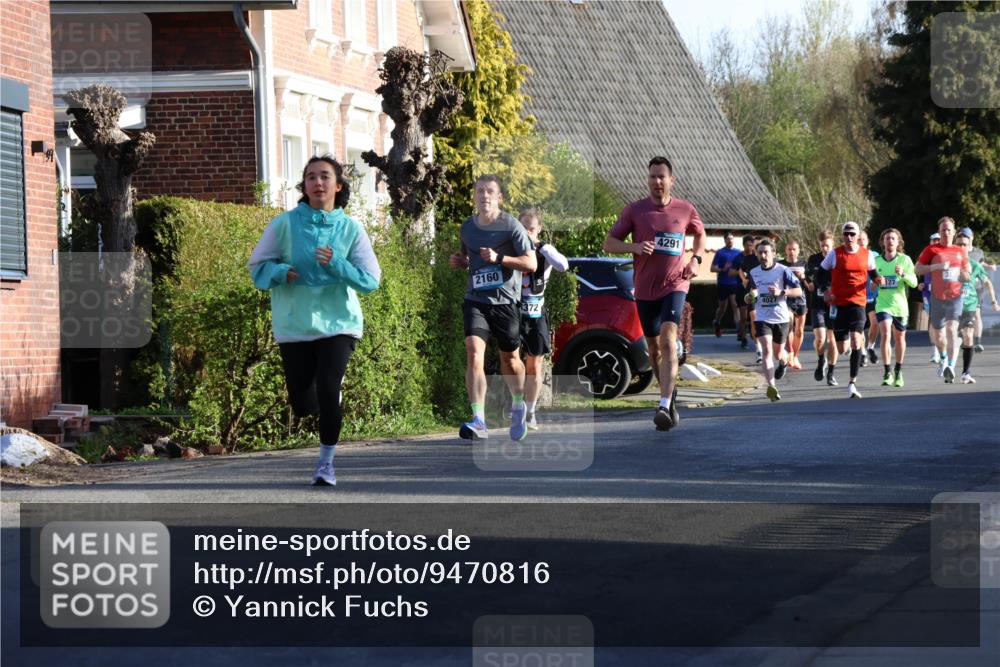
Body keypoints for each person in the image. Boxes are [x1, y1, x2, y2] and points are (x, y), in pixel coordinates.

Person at [249, 155, 381, 486]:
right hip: (294, 325)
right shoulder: (284, 224)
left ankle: (326, 464)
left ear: (339, 186)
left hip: (339, 323)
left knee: (327, 386)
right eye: (310, 177)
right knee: (303, 402)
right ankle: (325, 398)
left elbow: (370, 280)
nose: (317, 183)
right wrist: (281, 272)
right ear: (304, 186)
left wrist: (339, 265)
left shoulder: (351, 228)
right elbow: (257, 268)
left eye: (324, 177)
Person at [603, 156, 706, 432]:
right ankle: (668, 396)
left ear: (671, 180)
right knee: (653, 348)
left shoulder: (685, 209)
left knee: (669, 339)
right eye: (652, 177)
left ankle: (661, 404)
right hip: (645, 289)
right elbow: (609, 244)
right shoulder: (635, 210)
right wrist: (635, 248)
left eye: (662, 176)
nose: (657, 182)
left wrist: (695, 259)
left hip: (675, 284)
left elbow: (700, 233)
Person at [450, 174, 536, 441]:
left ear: (499, 197)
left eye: (490, 192)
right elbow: (470, 259)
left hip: (506, 302)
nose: (484, 196)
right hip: (476, 299)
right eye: (479, 192)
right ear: (474, 196)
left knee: (509, 360)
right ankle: (479, 419)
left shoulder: (512, 227)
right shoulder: (467, 228)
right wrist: (461, 261)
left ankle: (519, 404)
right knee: (474, 352)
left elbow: (531, 263)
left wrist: (501, 258)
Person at [517, 208, 569, 429]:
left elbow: (563, 265)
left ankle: (530, 411)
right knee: (511, 360)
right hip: (513, 309)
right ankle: (515, 405)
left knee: (534, 364)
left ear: (538, 229)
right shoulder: (510, 249)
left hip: (535, 310)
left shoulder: (543, 249)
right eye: (523, 229)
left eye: (532, 229)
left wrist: (544, 248)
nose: (527, 233)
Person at [821, 221, 880, 398]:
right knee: (842, 348)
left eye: (852, 234)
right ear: (842, 235)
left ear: (857, 236)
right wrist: (826, 291)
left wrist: (879, 280)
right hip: (838, 304)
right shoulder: (835, 254)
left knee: (855, 340)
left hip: (857, 303)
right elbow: (820, 274)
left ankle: (852, 383)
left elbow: (873, 273)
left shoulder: (867, 255)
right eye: (846, 234)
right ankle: (847, 349)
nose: (849, 237)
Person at [745, 239, 803, 401]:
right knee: (767, 351)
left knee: (779, 354)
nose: (763, 255)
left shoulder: (783, 270)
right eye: (760, 252)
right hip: (762, 316)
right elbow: (752, 290)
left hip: (781, 318)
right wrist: (750, 296)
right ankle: (772, 387)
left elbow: (798, 291)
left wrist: (781, 292)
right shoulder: (754, 272)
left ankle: (784, 362)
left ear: (773, 254)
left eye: (766, 252)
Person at [915, 217, 971, 384]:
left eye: (949, 230)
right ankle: (944, 358)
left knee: (952, 329)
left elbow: (967, 274)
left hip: (955, 296)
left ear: (953, 233)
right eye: (943, 230)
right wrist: (936, 267)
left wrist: (963, 275)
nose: (946, 232)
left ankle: (951, 367)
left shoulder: (960, 251)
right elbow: (917, 268)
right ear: (939, 232)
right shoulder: (931, 250)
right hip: (937, 297)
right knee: (939, 334)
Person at [873, 228, 917, 387]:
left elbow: (914, 283)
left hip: (900, 306)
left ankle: (898, 370)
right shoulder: (876, 261)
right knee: (885, 333)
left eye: (893, 238)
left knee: (899, 338)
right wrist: (876, 281)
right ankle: (887, 371)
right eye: (887, 238)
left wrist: (903, 274)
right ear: (882, 242)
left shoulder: (905, 260)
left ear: (898, 242)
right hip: (883, 304)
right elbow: (870, 286)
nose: (890, 241)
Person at [955, 228, 998, 383]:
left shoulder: (975, 262)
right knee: (950, 339)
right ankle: (947, 363)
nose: (961, 247)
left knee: (968, 334)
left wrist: (994, 301)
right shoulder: (947, 263)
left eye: (964, 244)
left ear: (969, 245)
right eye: (959, 244)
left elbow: (987, 282)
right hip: (950, 305)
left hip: (970, 303)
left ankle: (966, 372)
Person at [804, 231, 835, 383]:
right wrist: (809, 283)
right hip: (818, 304)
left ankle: (831, 371)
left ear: (833, 244)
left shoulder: (838, 259)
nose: (825, 249)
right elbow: (808, 276)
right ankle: (821, 360)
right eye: (822, 246)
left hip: (835, 304)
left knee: (833, 339)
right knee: (821, 338)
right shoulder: (813, 260)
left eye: (828, 246)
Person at [711, 231, 743, 339]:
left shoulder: (739, 253)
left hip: (735, 283)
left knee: (735, 305)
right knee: (722, 308)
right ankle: (717, 322)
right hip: (723, 283)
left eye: (732, 238)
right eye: (728, 239)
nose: (730, 240)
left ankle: (739, 330)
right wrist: (722, 269)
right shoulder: (720, 253)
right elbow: (712, 268)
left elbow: (742, 267)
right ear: (725, 240)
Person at [782, 240, 808, 369]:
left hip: (801, 299)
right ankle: (791, 352)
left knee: (799, 330)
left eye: (794, 249)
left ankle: (795, 356)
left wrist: (803, 276)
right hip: (787, 299)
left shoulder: (804, 264)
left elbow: (810, 283)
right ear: (785, 250)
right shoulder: (781, 265)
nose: (791, 252)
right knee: (789, 324)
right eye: (789, 249)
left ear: (798, 251)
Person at [739, 235, 764, 364]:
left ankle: (767, 345)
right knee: (754, 318)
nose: (757, 248)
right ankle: (758, 349)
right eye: (755, 246)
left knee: (765, 320)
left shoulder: (767, 259)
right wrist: (744, 280)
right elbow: (740, 270)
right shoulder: (748, 259)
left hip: (766, 293)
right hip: (752, 292)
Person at [859, 230, 880, 367]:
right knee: (859, 326)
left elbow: (880, 273)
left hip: (873, 296)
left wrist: (876, 281)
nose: (861, 242)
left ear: (867, 241)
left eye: (863, 240)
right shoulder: (851, 256)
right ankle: (862, 353)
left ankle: (870, 347)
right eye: (858, 239)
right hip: (857, 296)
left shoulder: (875, 256)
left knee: (875, 322)